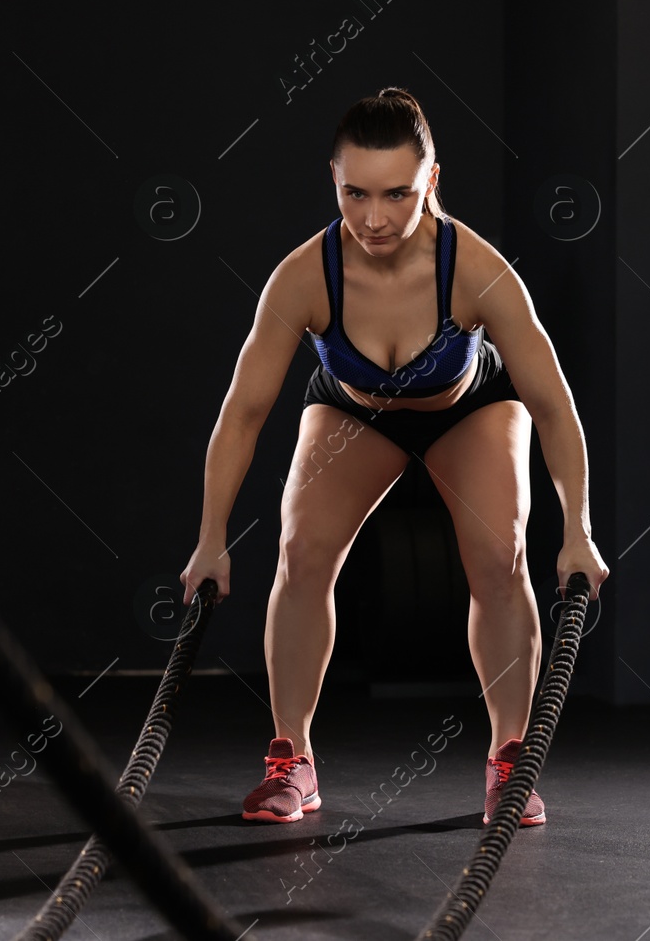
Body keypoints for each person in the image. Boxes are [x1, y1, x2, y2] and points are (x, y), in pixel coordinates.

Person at [179, 86, 609, 827]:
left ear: (431, 181)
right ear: (334, 182)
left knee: (501, 555)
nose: (374, 217)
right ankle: (293, 758)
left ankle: (511, 760)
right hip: (355, 410)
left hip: (467, 408)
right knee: (301, 550)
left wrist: (579, 528)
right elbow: (242, 413)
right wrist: (210, 539)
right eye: (355, 193)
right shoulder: (305, 275)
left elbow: (553, 405)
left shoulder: (476, 270)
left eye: (397, 194)